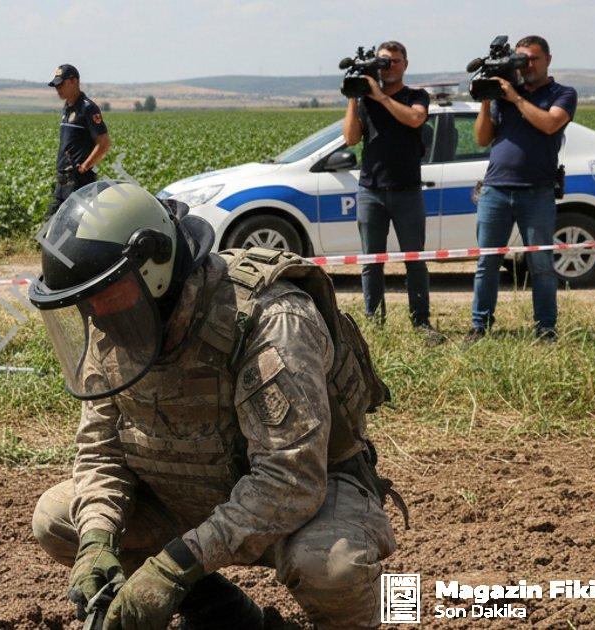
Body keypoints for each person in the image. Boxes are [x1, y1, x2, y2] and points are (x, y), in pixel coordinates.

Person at [29, 181, 401, 629]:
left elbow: (291, 478)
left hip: (303, 500)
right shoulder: (118, 318)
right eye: (85, 303)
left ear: (153, 268)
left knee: (329, 566)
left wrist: (174, 567)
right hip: (190, 492)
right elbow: (101, 451)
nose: (95, 315)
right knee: (59, 518)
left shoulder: (270, 318)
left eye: (103, 296)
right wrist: (96, 541)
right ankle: (225, 614)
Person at [468, 35, 577, 343]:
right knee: (486, 262)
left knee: (541, 264)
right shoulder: (503, 96)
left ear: (548, 60)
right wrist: (488, 97)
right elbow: (481, 138)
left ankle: (545, 329)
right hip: (495, 191)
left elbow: (549, 124)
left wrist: (515, 98)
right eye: (521, 60)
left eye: (533, 59)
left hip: (537, 191)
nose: (527, 65)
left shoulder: (562, 93)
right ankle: (480, 326)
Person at [342, 41, 440, 341]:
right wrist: (354, 96)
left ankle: (421, 322)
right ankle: (374, 323)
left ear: (405, 64)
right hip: (371, 190)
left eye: (395, 61)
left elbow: (414, 118)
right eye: (384, 62)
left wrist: (380, 96)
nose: (390, 67)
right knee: (372, 262)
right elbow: (350, 138)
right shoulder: (365, 100)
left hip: (407, 190)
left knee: (415, 260)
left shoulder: (416, 96)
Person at [46, 64, 110, 220]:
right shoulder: (67, 107)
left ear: (74, 81)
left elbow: (104, 143)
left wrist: (85, 167)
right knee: (51, 222)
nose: (57, 89)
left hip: (78, 180)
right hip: (63, 178)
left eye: (61, 84)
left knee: (71, 225)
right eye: (55, 85)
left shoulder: (88, 108)